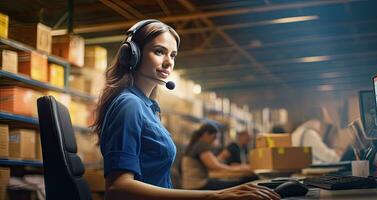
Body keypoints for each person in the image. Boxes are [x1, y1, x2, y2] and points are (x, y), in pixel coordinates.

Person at [92, 19, 280, 200]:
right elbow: (118, 188)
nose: (168, 62)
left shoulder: (148, 107)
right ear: (133, 55)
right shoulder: (129, 105)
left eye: (172, 55)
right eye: (159, 52)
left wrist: (231, 190)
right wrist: (216, 195)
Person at [181, 124, 255, 190]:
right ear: (206, 134)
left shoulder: (195, 145)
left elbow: (214, 164)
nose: (214, 141)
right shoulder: (201, 145)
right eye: (214, 138)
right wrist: (238, 169)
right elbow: (215, 166)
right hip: (198, 185)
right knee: (241, 184)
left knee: (239, 183)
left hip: (192, 185)